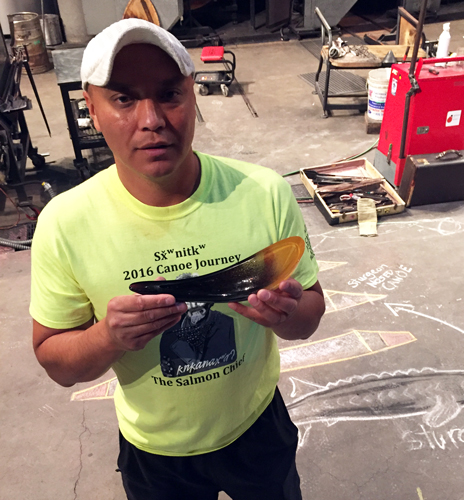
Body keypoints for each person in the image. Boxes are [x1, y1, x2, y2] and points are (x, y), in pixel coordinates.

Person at [30, 18, 325, 500]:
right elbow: (56, 363)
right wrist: (108, 337)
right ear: (93, 110)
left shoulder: (263, 193)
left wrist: (286, 315)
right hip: (155, 452)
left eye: (169, 94)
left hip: (256, 427)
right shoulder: (66, 224)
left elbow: (310, 314)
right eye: (123, 99)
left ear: (193, 95)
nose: (152, 121)